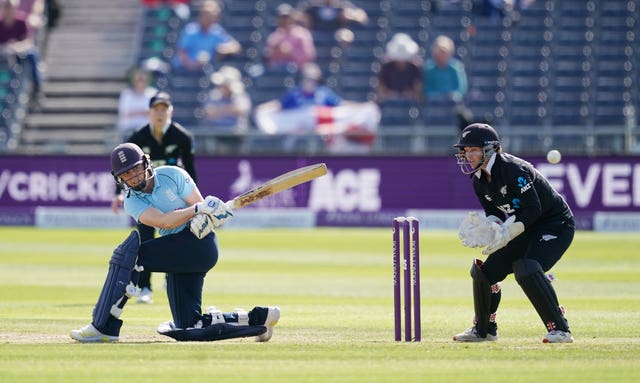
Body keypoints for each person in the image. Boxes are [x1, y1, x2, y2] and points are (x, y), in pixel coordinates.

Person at [71, 142, 280, 342]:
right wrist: (198, 210)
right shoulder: (132, 201)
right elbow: (165, 222)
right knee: (188, 325)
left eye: (135, 169)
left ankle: (103, 328)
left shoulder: (173, 174)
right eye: (126, 174)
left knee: (129, 257)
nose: (133, 177)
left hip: (199, 245)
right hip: (177, 251)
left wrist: (213, 214)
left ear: (146, 163)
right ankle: (260, 318)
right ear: (119, 179)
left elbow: (201, 207)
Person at [452, 123, 575, 344]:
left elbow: (533, 209)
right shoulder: (479, 181)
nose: (467, 155)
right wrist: (490, 229)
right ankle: (484, 329)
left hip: (554, 225)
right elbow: (494, 213)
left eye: (473, 150)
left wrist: (507, 234)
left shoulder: (513, 169)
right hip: (523, 228)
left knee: (526, 267)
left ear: (489, 149)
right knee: (484, 273)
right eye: (465, 151)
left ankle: (560, 329)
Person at [111, 91, 197, 304]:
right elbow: (123, 170)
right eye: (156, 110)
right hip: (143, 194)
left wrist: (193, 199)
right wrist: (118, 195)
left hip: (170, 193)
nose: (160, 114)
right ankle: (145, 287)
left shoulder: (182, 137)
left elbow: (190, 169)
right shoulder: (138, 138)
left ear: (170, 111)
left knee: (175, 237)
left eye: (164, 109)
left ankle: (172, 278)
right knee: (146, 239)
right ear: (149, 113)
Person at [254, 62, 380, 153]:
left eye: (313, 79)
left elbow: (341, 107)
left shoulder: (324, 92)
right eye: (307, 78)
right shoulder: (294, 93)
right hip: (298, 135)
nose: (310, 81)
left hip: (322, 136)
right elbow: (279, 105)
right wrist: (263, 108)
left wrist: (362, 106)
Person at [423, 35, 473, 130]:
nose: (442, 54)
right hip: (434, 109)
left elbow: (461, 89)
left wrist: (451, 95)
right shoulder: (429, 69)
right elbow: (427, 89)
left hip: (452, 108)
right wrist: (439, 96)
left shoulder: (456, 68)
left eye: (444, 52)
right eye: (439, 51)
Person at [173, 0, 241, 71]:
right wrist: (195, 65)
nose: (210, 17)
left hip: (206, 71)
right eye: (207, 14)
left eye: (213, 14)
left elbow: (236, 47)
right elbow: (182, 54)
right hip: (184, 71)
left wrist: (221, 49)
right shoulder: (190, 30)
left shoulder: (217, 31)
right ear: (200, 15)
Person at [0, 0, 43, 106]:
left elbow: (28, 41)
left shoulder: (21, 21)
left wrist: (16, 46)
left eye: (10, 8)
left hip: (19, 53)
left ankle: (36, 88)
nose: (8, 11)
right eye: (6, 8)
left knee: (32, 55)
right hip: (2, 54)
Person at [201, 65, 251, 153]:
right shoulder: (214, 95)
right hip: (216, 135)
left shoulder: (240, 95)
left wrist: (219, 110)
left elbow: (241, 110)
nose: (222, 86)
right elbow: (209, 113)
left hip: (236, 136)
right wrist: (228, 110)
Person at [264, 3, 316, 70]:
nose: (284, 20)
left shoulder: (302, 33)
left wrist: (290, 51)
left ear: (292, 18)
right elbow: (268, 58)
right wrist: (275, 51)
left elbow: (310, 56)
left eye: (286, 17)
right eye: (281, 17)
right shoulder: (274, 37)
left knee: (311, 72)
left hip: (299, 70)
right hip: (278, 70)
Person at [376, 33, 423, 103]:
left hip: (409, 104)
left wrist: (411, 94)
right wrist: (390, 95)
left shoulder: (415, 68)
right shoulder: (386, 67)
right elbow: (381, 89)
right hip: (390, 104)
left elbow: (418, 92)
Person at [116, 67, 158, 140]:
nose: (140, 82)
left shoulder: (153, 93)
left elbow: (154, 112)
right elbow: (125, 113)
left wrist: (136, 112)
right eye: (138, 80)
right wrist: (144, 112)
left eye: (143, 80)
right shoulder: (126, 94)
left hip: (148, 130)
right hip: (128, 129)